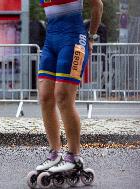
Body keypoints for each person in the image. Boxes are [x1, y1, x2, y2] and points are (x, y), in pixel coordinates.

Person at [36, 0, 103, 172]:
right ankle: (54, 153)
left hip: (73, 39)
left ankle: (74, 155)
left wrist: (92, 37)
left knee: (63, 97)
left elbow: (98, 5)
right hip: (51, 41)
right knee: (44, 96)